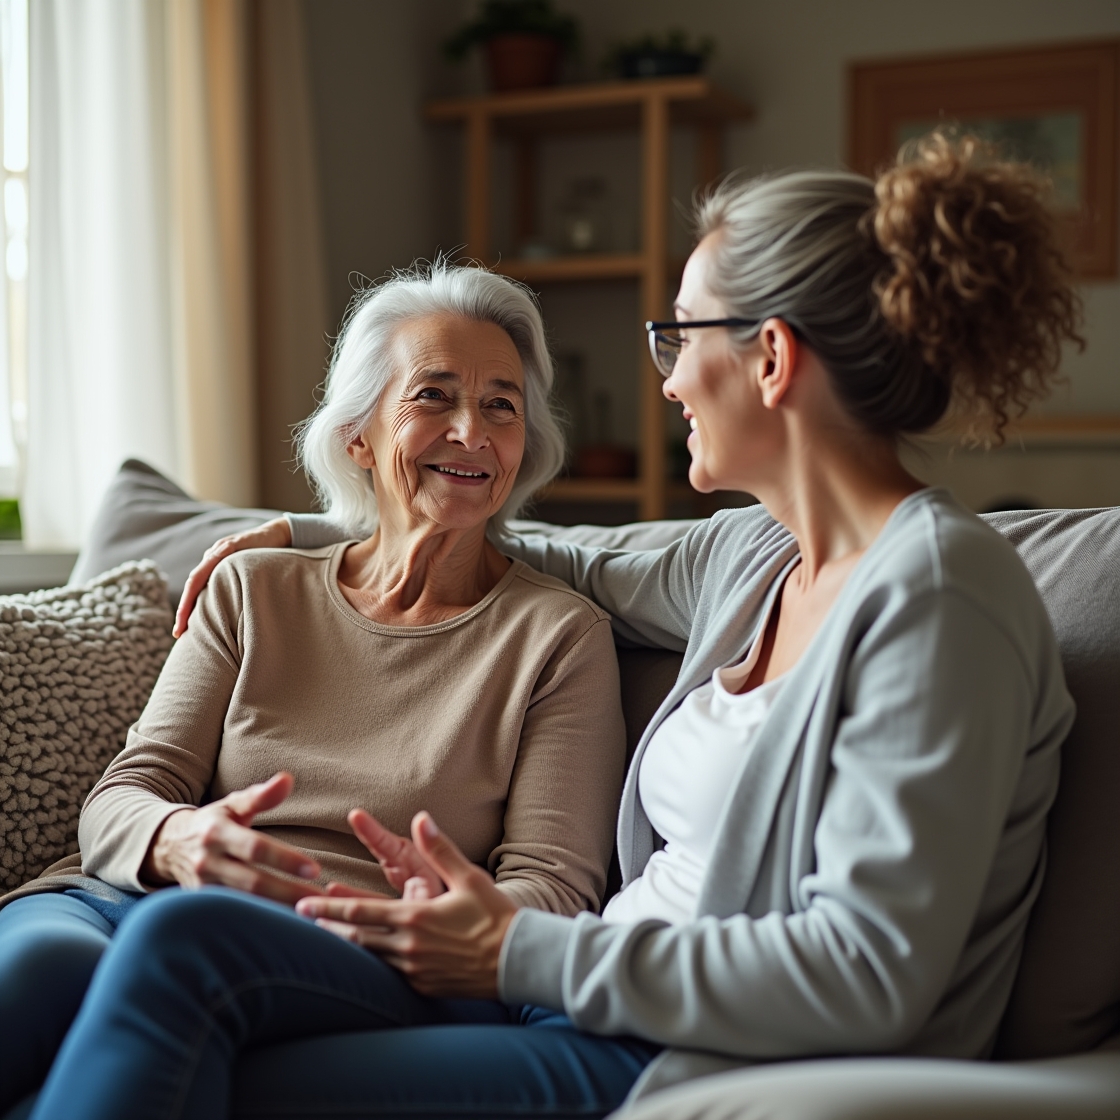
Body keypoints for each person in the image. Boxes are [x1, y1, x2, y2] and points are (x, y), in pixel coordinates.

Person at [29, 134, 1082, 1120]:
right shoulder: (753, 555)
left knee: (191, 981)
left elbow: (866, 976)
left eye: (679, 335)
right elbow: (548, 545)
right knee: (135, 997)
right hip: (575, 1002)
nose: (665, 377)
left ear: (768, 357)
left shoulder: (941, 600)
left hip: (676, 1050)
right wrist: (319, 529)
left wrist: (515, 950)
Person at [0, 264, 628, 1116]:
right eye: (434, 397)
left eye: (502, 405)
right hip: (132, 897)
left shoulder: (558, 638)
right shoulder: (253, 589)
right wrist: (178, 839)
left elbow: (551, 890)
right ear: (358, 437)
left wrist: (440, 911)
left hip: (364, 949)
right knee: (41, 969)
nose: (473, 431)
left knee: (185, 938)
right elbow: (128, 791)